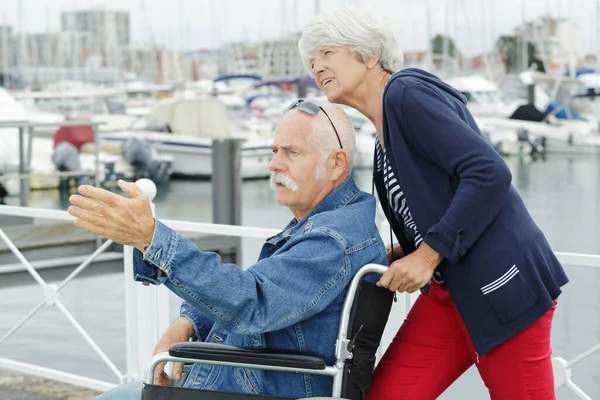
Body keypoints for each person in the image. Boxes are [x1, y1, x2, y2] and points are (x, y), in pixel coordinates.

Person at [298, 8, 569, 400]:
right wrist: (403, 251)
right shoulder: (383, 132)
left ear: (370, 54)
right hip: (448, 294)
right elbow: (434, 202)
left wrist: (425, 257)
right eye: (311, 60)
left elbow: (488, 173)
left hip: (501, 287)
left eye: (326, 53)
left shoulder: (407, 92)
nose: (316, 67)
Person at [67, 100, 388, 399]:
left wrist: (151, 239)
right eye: (274, 150)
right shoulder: (335, 221)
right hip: (234, 380)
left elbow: (254, 301)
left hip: (249, 389)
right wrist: (189, 322)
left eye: (292, 152)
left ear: (337, 163)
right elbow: (264, 289)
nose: (274, 164)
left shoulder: (332, 239)